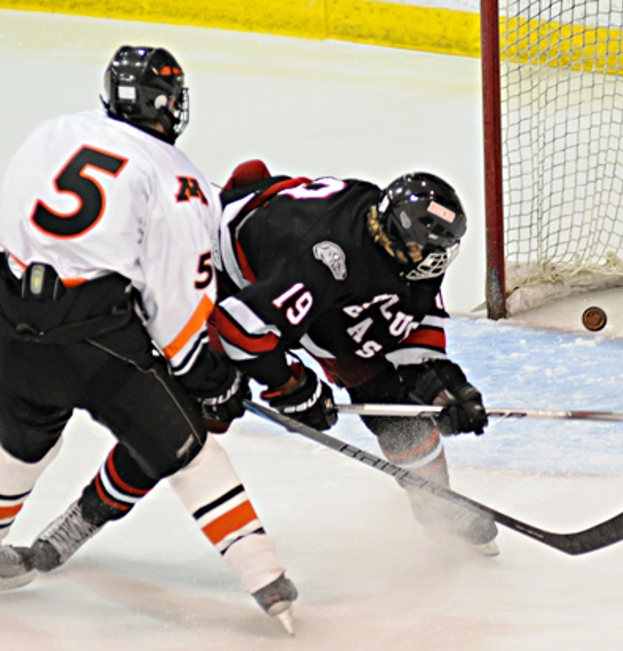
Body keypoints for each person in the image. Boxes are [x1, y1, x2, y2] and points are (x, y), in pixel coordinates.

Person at [0, 46, 297, 630]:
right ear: (168, 105)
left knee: (21, 444)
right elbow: (176, 300)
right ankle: (268, 581)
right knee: (188, 449)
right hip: (98, 343)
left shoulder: (53, 129)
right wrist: (208, 377)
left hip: (9, 321)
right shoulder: (179, 177)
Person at [208, 159, 498, 554]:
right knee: (210, 405)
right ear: (402, 240)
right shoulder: (326, 260)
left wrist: (444, 383)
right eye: (429, 250)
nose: (438, 260)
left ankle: (437, 506)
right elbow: (240, 326)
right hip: (222, 271)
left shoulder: (400, 247)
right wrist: (292, 386)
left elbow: (413, 314)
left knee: (390, 404)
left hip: (315, 282)